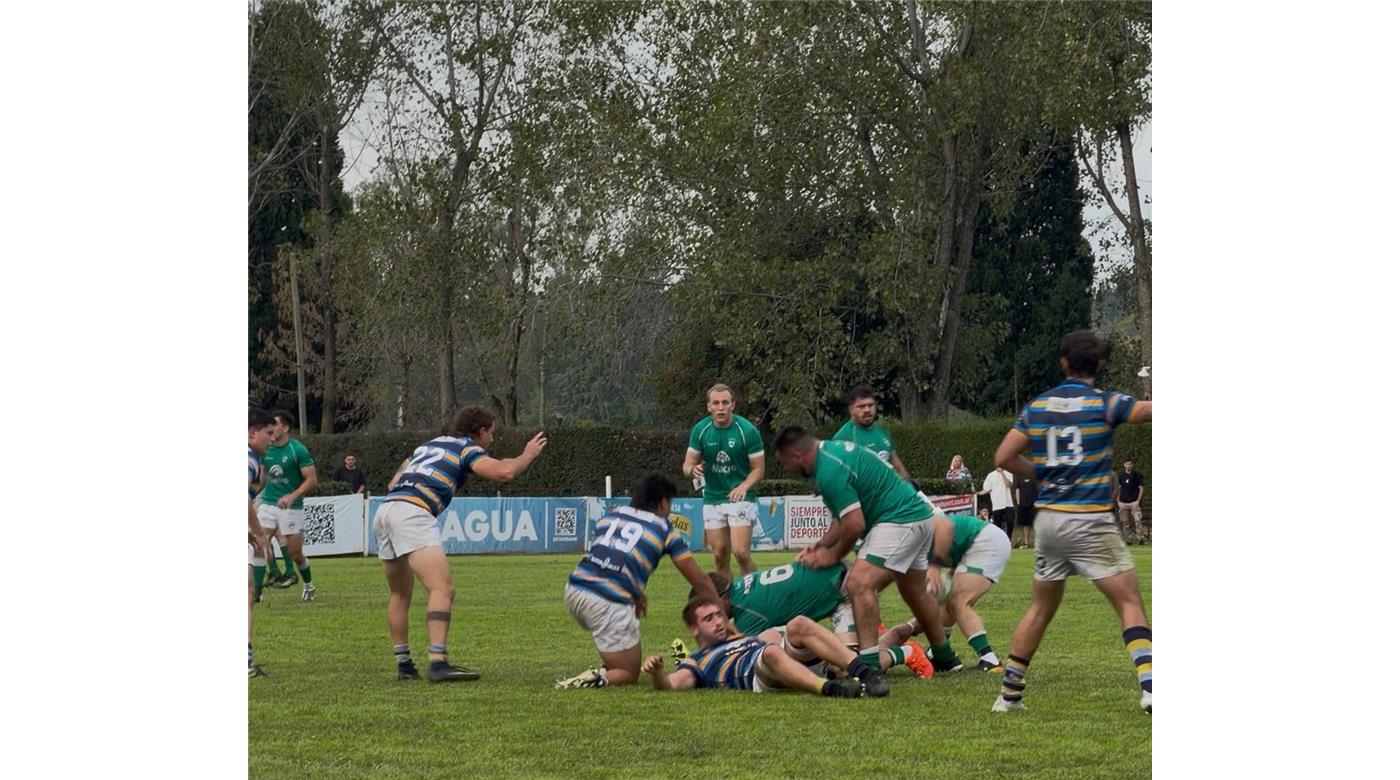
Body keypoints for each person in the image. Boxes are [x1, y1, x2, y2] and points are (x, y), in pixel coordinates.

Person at [990, 329, 1153, 714]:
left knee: (1040, 609)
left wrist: (1039, 474)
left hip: (1049, 522)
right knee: (1129, 601)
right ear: (1098, 364)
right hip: (1089, 520)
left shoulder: (1038, 406)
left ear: (1063, 363)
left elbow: (1003, 456)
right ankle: (1151, 688)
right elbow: (1146, 411)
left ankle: (1009, 695)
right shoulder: (1105, 403)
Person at [774, 428, 963, 696]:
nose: (787, 468)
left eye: (785, 462)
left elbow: (854, 525)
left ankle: (870, 667)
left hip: (900, 519)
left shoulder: (828, 469)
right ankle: (945, 657)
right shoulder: (832, 453)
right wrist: (820, 546)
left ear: (797, 455)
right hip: (917, 516)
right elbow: (842, 521)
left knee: (859, 584)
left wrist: (832, 555)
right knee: (915, 593)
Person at [378, 405, 548, 682]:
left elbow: (392, 481)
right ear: (480, 432)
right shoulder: (467, 448)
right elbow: (503, 473)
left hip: (387, 510)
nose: (492, 440)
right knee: (442, 588)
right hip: (413, 512)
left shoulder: (427, 446)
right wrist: (527, 455)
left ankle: (404, 665)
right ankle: (438, 662)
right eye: (491, 433)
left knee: (399, 594)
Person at [555, 473, 720, 689]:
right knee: (627, 673)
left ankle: (607, 666)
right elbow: (699, 580)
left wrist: (635, 593)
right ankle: (583, 681)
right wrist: (721, 614)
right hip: (606, 601)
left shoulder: (611, 515)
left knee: (620, 656)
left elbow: (612, 556)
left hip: (575, 590)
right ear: (663, 502)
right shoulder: (663, 528)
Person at [698, 563, 933, 678]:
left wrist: (701, 659)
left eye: (712, 608)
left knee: (844, 669)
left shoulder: (744, 610)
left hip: (842, 592)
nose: (716, 616)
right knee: (843, 658)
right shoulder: (742, 588)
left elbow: (741, 650)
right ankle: (907, 629)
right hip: (835, 579)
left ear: (722, 597)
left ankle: (906, 654)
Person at [640, 597, 867, 698]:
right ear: (694, 629)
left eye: (719, 615)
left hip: (785, 661)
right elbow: (672, 685)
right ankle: (829, 688)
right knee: (769, 650)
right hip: (759, 675)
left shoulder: (741, 638)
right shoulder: (697, 660)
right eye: (709, 619)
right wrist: (658, 672)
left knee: (797, 624)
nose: (719, 622)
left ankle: (874, 666)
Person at [879, 511, 1013, 673]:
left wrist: (934, 566)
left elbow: (944, 527)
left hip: (984, 541)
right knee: (947, 599)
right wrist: (911, 626)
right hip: (974, 544)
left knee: (958, 600)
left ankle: (989, 659)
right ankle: (941, 654)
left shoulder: (906, 529)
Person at [681, 384, 765, 578]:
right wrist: (693, 469)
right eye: (716, 403)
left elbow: (759, 470)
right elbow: (686, 466)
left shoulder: (747, 431)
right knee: (719, 554)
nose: (721, 407)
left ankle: (753, 594)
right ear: (709, 406)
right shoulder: (700, 430)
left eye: (725, 403)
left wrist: (743, 486)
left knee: (741, 553)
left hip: (741, 498)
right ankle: (726, 601)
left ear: (732, 405)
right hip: (713, 498)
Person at [256, 411, 319, 599]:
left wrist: (292, 496)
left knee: (295, 554)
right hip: (268, 503)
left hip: (291, 508)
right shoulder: (266, 448)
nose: (270, 429)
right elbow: (263, 478)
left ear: (285, 427)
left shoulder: (297, 450)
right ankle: (255, 592)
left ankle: (308, 585)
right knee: (259, 542)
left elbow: (312, 479)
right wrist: (252, 493)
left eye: (274, 425)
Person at [248, 407, 276, 678]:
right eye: (268, 433)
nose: (272, 438)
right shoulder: (248, 459)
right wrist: (258, 533)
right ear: (252, 432)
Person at [831, 385, 911, 479]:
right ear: (851, 409)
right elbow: (835, 475)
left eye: (870, 405)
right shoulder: (843, 437)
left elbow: (898, 468)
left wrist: (911, 488)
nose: (867, 410)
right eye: (861, 406)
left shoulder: (884, 433)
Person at [1116, 460, 1148, 544]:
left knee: (1138, 521)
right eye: (1127, 464)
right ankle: (1127, 540)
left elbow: (1141, 488)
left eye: (1130, 464)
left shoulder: (1137, 475)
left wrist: (1138, 500)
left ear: (1132, 465)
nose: (1128, 465)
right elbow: (1118, 488)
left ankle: (1141, 539)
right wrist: (1118, 500)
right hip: (1123, 503)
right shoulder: (1121, 475)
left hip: (1134, 502)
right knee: (1125, 522)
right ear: (1124, 465)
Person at [978, 465, 1016, 539]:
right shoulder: (990, 475)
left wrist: (1002, 473)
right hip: (997, 505)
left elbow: (1008, 484)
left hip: (1008, 503)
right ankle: (999, 541)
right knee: (997, 526)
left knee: (1010, 522)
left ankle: (1008, 539)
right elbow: (986, 489)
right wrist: (978, 493)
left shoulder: (1008, 473)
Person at [1013, 472, 1038, 549]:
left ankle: (1038, 542)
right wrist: (1018, 502)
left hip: (1033, 504)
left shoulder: (1034, 477)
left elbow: (1037, 490)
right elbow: (1017, 491)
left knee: (1035, 523)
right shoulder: (1019, 478)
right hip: (1023, 504)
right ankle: (1026, 542)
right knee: (1025, 524)